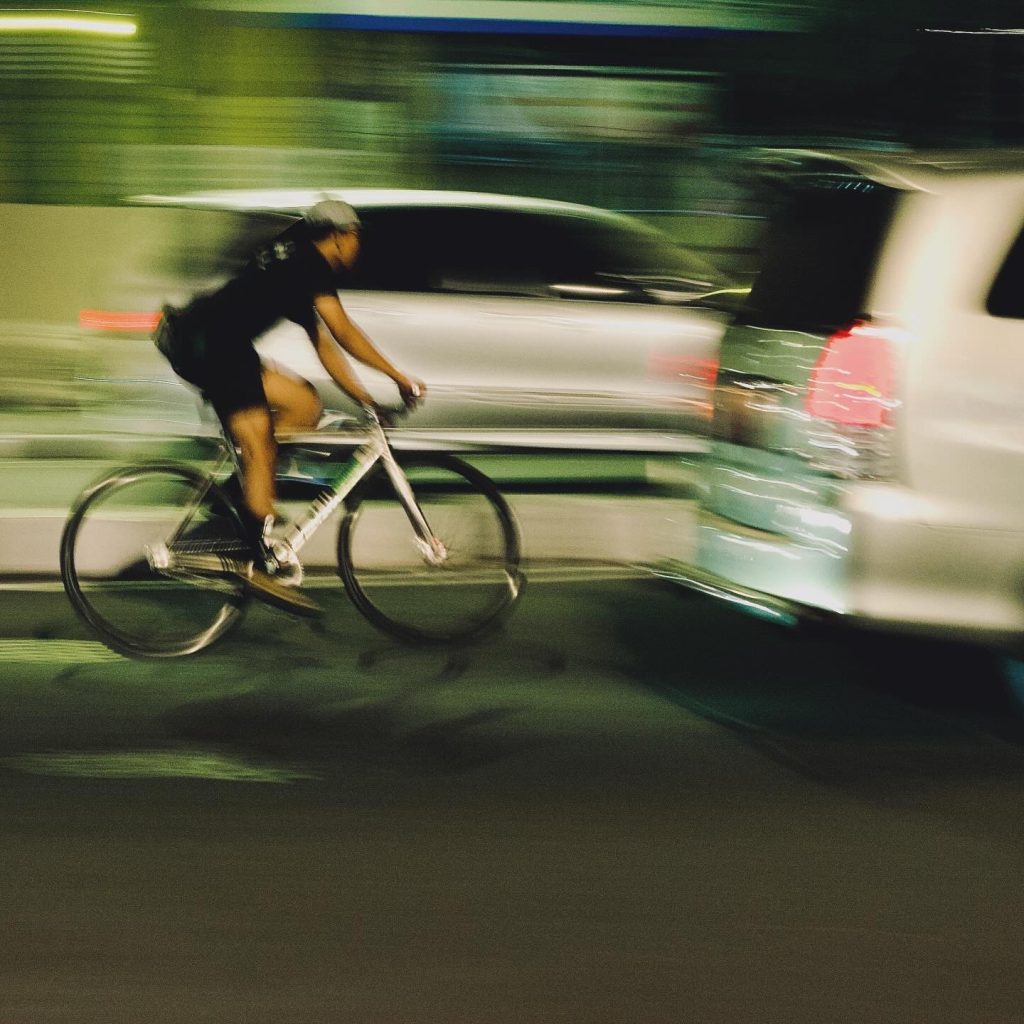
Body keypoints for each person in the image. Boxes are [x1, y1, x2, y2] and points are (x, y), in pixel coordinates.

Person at [154, 198, 425, 615]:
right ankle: (255, 561)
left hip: (220, 343)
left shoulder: (297, 255)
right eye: (357, 238)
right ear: (339, 237)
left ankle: (238, 500)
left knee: (303, 404)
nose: (359, 248)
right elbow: (344, 332)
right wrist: (399, 377)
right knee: (261, 447)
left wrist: (366, 400)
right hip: (212, 347)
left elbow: (325, 346)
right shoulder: (308, 263)